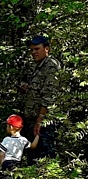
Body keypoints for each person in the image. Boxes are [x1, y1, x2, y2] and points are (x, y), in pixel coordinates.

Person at [20, 35, 60, 164]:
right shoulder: (36, 66)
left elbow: (49, 96)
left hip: (44, 122)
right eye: (32, 50)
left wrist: (40, 121)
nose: (33, 52)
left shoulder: (51, 66)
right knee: (32, 156)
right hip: (32, 119)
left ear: (46, 49)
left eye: (37, 49)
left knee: (44, 158)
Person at [0, 114, 39, 179]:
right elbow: (33, 146)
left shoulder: (7, 140)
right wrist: (37, 136)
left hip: (6, 164)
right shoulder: (23, 140)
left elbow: (1, 155)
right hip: (17, 165)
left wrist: (0, 165)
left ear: (11, 127)